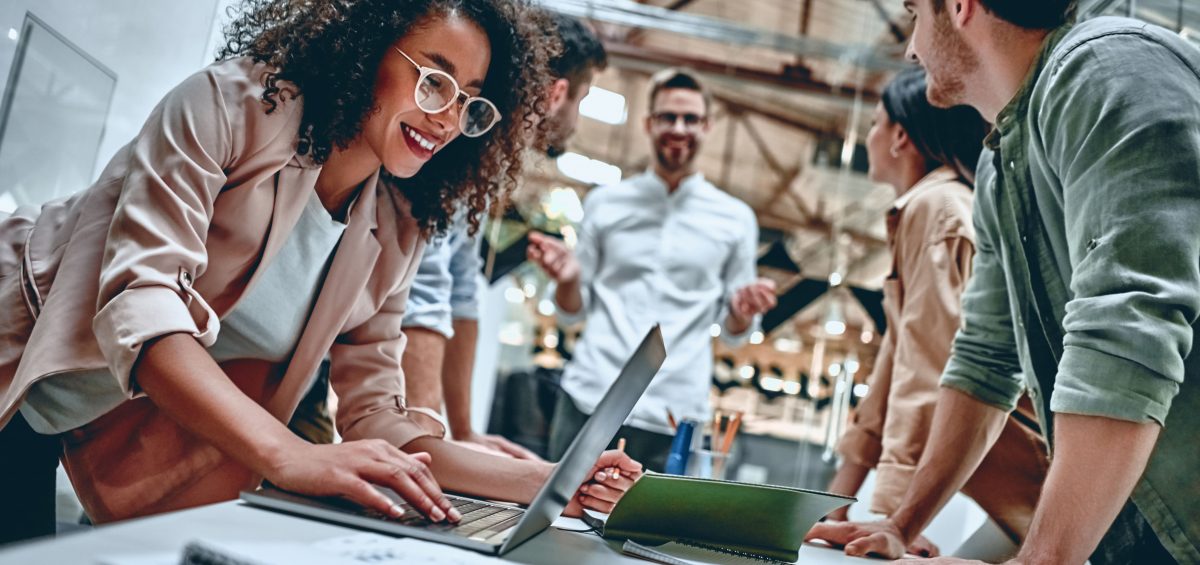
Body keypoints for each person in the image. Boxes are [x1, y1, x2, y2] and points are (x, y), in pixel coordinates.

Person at [0, 0, 639, 546]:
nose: (447, 118)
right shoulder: (228, 106)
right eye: (434, 82)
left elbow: (378, 419)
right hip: (17, 364)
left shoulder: (396, 224)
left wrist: (554, 481)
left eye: (471, 102)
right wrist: (293, 454)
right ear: (366, 48)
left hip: (104, 419)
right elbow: (144, 309)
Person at [807, 1, 1200, 563]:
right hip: (1136, 523)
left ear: (961, 7)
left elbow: (1126, 330)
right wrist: (899, 522)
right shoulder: (999, 165)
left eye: (917, 13)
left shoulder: (1112, 70)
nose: (911, 48)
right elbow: (984, 358)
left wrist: (1040, 559)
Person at [820, 67, 1047, 558]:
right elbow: (892, 368)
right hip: (1012, 488)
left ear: (901, 136)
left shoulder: (937, 209)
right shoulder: (926, 209)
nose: (869, 135)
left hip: (1032, 478)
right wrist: (836, 501)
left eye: (876, 122)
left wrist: (895, 517)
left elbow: (929, 367)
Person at [528, 68, 778, 472]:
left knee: (653, 534)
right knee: (558, 520)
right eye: (667, 117)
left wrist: (742, 311)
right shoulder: (605, 204)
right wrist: (570, 280)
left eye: (691, 118)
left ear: (708, 126)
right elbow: (572, 310)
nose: (679, 128)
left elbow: (736, 334)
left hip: (675, 412)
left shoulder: (736, 219)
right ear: (648, 123)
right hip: (592, 397)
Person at [398, 12, 608, 459]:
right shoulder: (463, 141)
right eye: (583, 99)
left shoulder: (491, 160)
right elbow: (427, 289)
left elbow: (460, 290)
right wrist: (431, 444)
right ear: (557, 94)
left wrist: (463, 431)